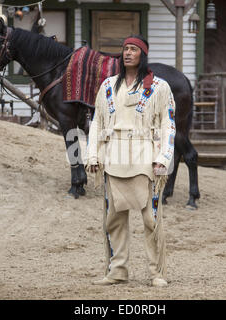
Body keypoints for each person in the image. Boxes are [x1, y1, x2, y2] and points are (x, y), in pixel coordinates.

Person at [85, 35, 176, 287]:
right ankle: (117, 270)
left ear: (142, 54)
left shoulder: (159, 87)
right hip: (114, 157)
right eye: (125, 49)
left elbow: (168, 124)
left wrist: (163, 158)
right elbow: (97, 123)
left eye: (133, 49)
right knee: (113, 219)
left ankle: (157, 272)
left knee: (151, 219)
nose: (127, 53)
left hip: (146, 159)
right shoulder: (107, 86)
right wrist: (93, 154)